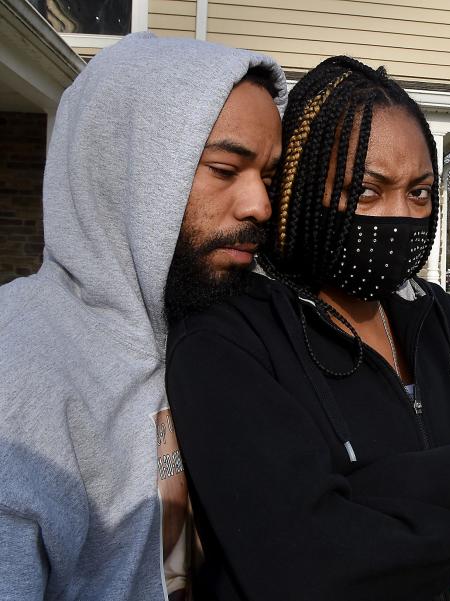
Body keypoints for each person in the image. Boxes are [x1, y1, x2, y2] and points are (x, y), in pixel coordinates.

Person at [165, 56, 450, 601]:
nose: (401, 217)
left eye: (419, 192)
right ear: (298, 189)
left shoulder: (434, 314)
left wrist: (367, 490)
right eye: (366, 191)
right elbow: (306, 566)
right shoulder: (231, 335)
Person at [0, 33, 288, 599]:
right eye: (225, 169)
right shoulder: (19, 370)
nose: (261, 206)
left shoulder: (225, 337)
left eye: (269, 176)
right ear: (128, 173)